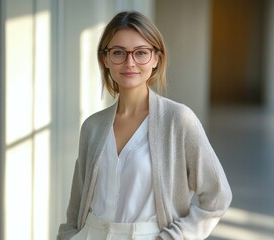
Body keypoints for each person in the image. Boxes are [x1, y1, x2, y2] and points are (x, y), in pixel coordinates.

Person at [57, 11, 232, 240]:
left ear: (156, 58)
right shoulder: (92, 127)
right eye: (118, 52)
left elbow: (218, 196)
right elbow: (76, 206)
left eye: (141, 53)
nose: (130, 62)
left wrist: (175, 237)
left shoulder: (178, 120)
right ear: (105, 59)